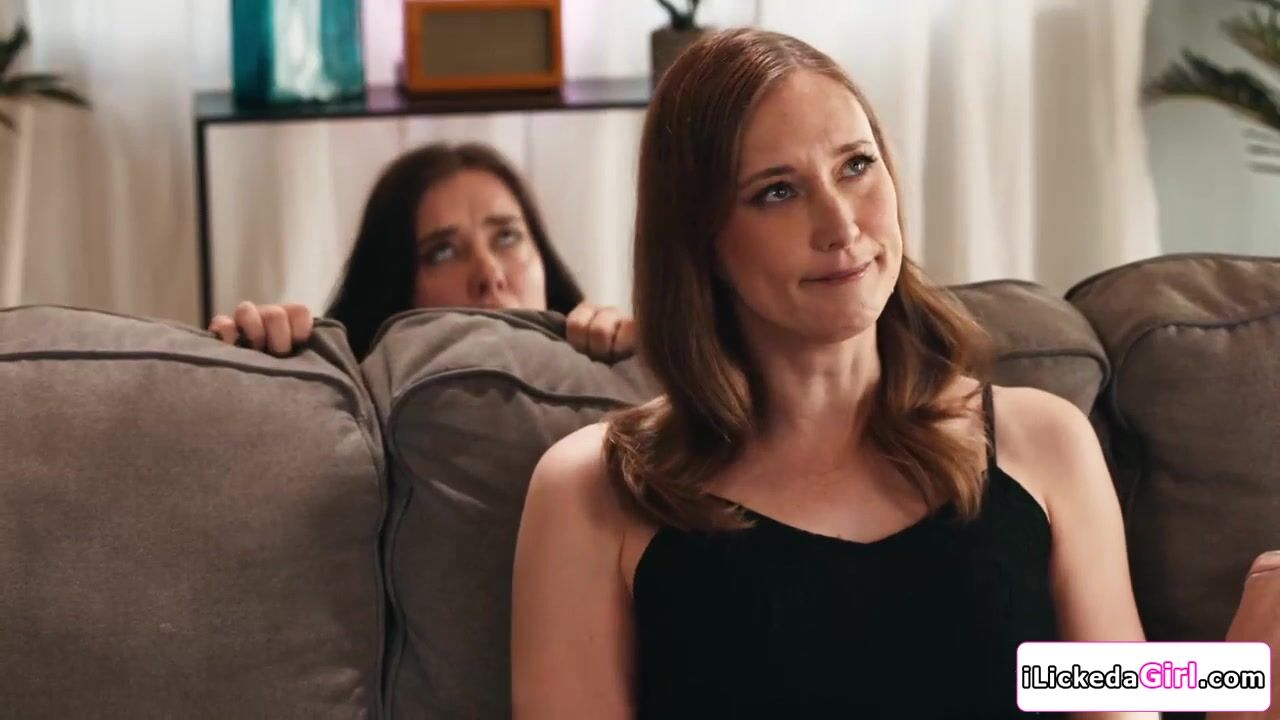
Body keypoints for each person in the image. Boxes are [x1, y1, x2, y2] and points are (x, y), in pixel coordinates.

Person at [510, 28, 1278, 719]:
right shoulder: (593, 490)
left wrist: (1248, 674)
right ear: (700, 240)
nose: (842, 225)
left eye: (856, 166)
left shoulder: (1045, 442)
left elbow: (1099, 688)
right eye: (777, 192)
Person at [209, 142, 634, 361]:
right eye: (443, 252)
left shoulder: (611, 374)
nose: (489, 274)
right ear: (393, 289)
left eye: (507, 237)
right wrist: (257, 358)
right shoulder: (351, 407)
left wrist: (642, 360)